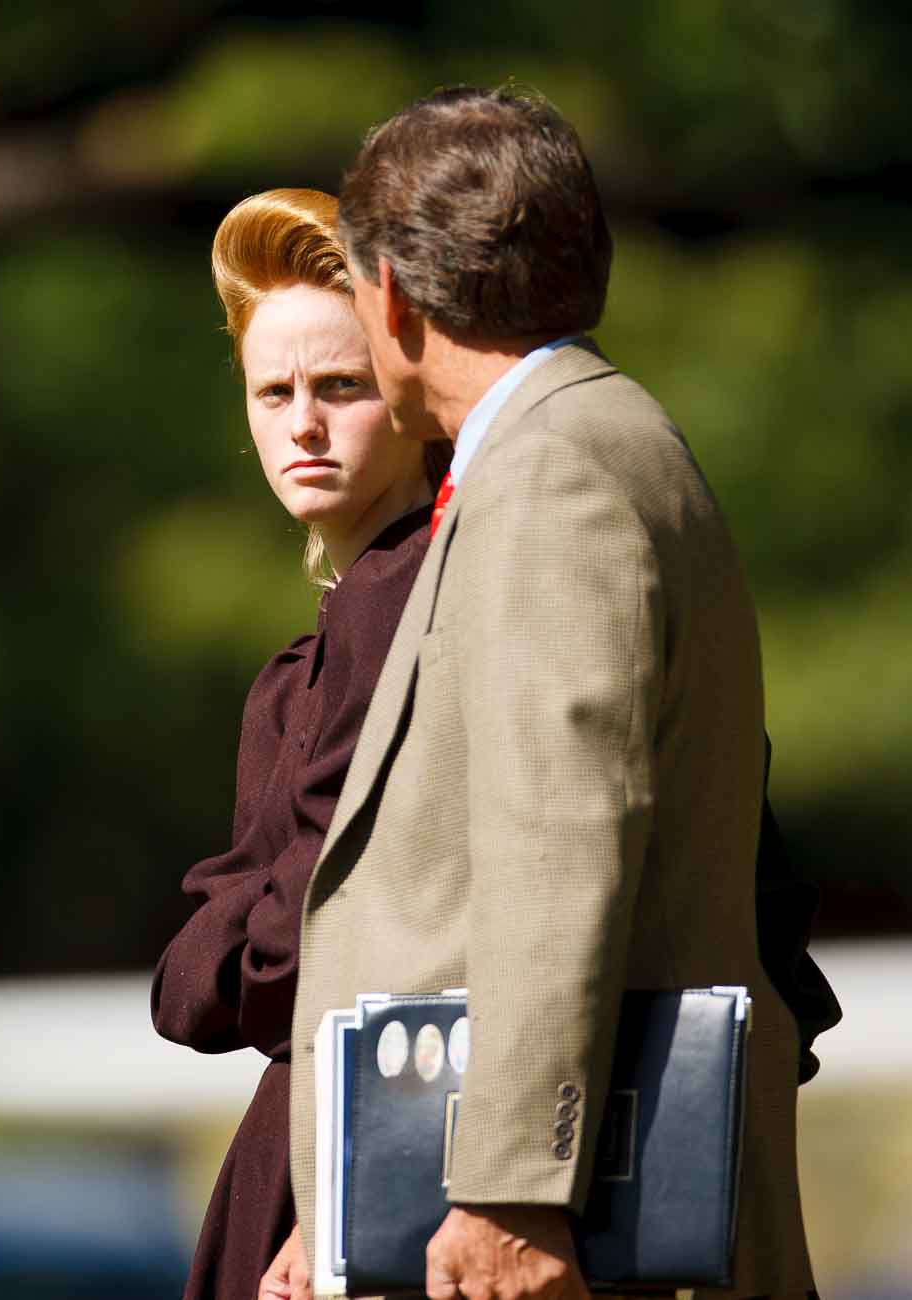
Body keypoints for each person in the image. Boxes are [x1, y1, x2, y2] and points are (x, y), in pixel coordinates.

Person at [271, 89, 836, 1300]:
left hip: (556, 1230)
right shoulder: (609, 441)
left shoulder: (549, 480)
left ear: (391, 299)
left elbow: (561, 837)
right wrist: (342, 1210)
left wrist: (511, 1188)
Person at [151, 187, 452, 1300]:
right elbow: (215, 970)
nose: (303, 426)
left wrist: (341, 1207)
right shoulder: (314, 654)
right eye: (272, 392)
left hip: (366, 1148)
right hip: (334, 1138)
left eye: (342, 387)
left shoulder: (400, 598)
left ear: (413, 393)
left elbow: (283, 953)